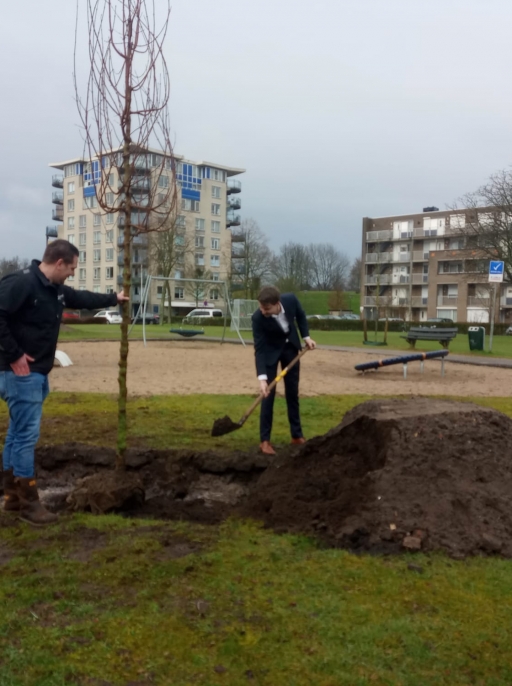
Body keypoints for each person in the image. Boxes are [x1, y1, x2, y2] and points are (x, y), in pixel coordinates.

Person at [0, 239, 129, 525]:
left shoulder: (54, 289)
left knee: (16, 433)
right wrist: (15, 355)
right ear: (59, 263)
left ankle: (10, 497)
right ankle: (29, 506)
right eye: (71, 268)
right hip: (20, 374)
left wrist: (113, 299)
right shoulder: (21, 283)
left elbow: (80, 298)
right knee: (25, 438)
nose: (72, 273)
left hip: (36, 374)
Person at [252, 286, 316, 455]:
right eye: (261, 307)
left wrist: (306, 337)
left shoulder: (291, 300)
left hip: (291, 350)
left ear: (277, 304)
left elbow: (301, 316)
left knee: (292, 393)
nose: (262, 311)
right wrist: (262, 379)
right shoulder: (258, 318)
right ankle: (265, 441)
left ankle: (296, 436)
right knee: (268, 396)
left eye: (266, 308)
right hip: (270, 354)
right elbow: (259, 349)